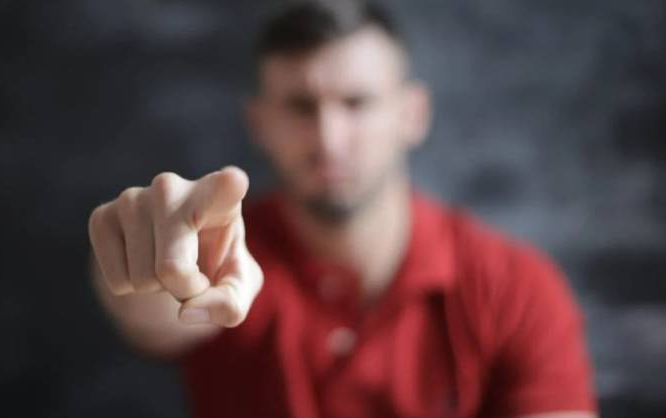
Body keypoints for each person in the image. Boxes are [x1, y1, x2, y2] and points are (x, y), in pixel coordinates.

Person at [87, 1, 597, 417]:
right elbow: (154, 316)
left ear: (412, 115)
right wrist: (151, 256)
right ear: (259, 123)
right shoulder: (224, 257)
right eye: (301, 106)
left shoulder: (513, 287)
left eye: (356, 103)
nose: (329, 139)